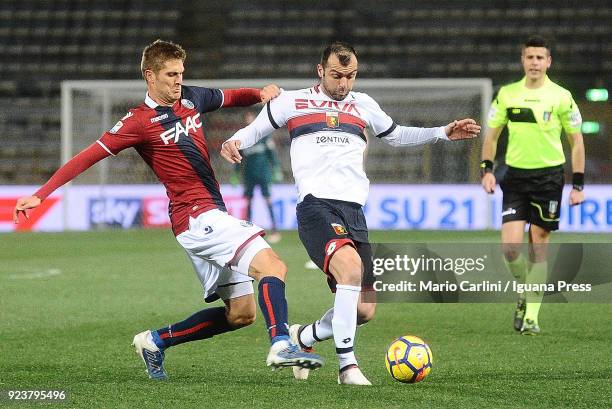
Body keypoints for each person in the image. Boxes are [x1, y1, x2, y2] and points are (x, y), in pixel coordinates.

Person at [13, 39, 322, 380]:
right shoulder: (137, 122)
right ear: (150, 76)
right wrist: (41, 194)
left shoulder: (191, 97)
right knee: (272, 265)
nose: (178, 80)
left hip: (205, 216)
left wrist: (259, 93)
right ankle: (281, 343)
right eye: (171, 74)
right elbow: (88, 156)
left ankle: (155, 341)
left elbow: (230, 97)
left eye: (181, 73)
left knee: (241, 314)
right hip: (196, 216)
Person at [221, 41, 480, 385]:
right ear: (320, 71)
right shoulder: (293, 102)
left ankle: (305, 337)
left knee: (364, 310)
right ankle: (348, 367)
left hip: (354, 213)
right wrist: (234, 142)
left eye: (350, 76)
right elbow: (254, 131)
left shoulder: (364, 104)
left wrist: (442, 133)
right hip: (317, 206)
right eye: (336, 75)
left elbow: (396, 134)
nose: (343, 83)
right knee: (351, 270)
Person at [480, 35, 585, 335]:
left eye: (540, 57)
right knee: (510, 248)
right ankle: (526, 289)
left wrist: (578, 184)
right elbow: (491, 136)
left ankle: (531, 317)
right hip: (515, 177)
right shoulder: (508, 94)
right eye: (530, 57)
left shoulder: (562, 97)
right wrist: (486, 170)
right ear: (523, 60)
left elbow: (576, 142)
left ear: (548, 61)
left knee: (539, 246)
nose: (535, 62)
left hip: (550, 177)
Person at [232, 111, 283, 243]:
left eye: (251, 117)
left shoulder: (264, 137)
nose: (249, 120)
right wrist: (235, 173)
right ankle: (247, 232)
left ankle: (275, 230)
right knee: (249, 201)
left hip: (263, 173)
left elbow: (272, 155)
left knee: (268, 200)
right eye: (247, 118)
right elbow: (239, 157)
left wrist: (276, 169)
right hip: (249, 174)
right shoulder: (243, 139)